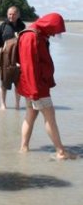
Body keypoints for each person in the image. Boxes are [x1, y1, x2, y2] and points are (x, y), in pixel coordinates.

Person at [17, 13, 75, 160]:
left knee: (30, 115)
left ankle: (24, 147)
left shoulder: (36, 33)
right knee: (50, 118)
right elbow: (29, 66)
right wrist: (35, 91)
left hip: (31, 86)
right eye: (55, 31)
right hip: (37, 87)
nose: (55, 35)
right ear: (49, 25)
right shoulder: (32, 36)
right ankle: (60, 152)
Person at [0, 6, 26, 110]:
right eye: (10, 14)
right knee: (3, 83)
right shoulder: (1, 27)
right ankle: (3, 104)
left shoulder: (22, 27)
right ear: (7, 14)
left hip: (18, 60)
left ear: (18, 15)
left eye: (14, 14)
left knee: (18, 83)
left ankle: (17, 104)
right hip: (4, 60)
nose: (11, 16)